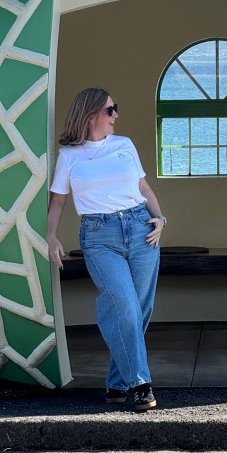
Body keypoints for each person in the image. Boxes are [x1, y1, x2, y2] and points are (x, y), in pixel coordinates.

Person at [47, 87, 166, 412]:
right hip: (99, 236)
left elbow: (143, 188)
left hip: (142, 230)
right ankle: (140, 384)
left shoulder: (124, 145)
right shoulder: (69, 155)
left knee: (139, 310)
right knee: (123, 305)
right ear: (91, 115)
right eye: (110, 110)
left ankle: (116, 383)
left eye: (115, 108)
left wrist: (160, 219)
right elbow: (58, 201)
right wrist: (51, 237)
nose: (115, 115)